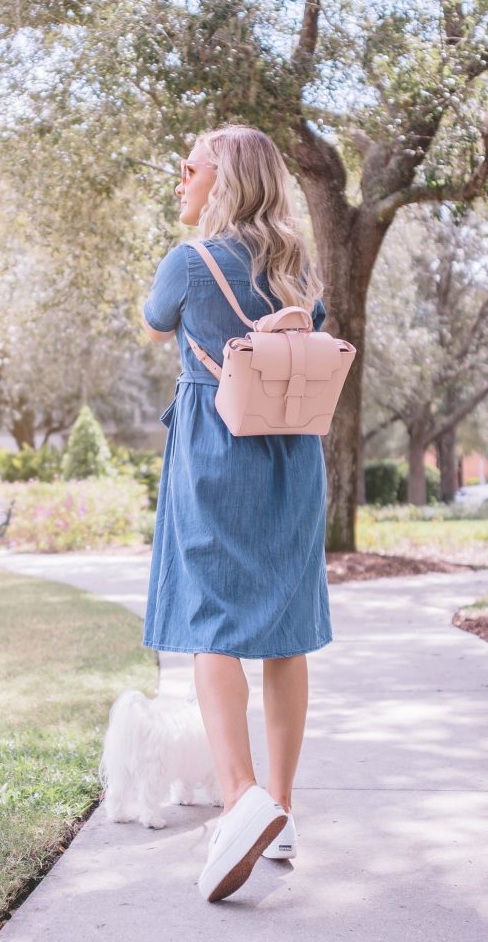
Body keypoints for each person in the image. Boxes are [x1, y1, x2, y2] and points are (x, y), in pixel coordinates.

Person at [140, 123, 332, 903]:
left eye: (189, 170)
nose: (179, 181)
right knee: (285, 635)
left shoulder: (188, 263)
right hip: (293, 460)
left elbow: (158, 322)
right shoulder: (299, 271)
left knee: (210, 625)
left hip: (215, 454)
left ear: (221, 182)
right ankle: (279, 813)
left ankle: (239, 797)